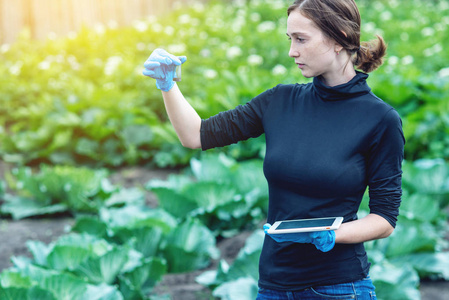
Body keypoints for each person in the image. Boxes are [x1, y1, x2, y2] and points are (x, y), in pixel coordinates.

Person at [142, 0, 405, 299]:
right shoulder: (279, 101)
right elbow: (197, 135)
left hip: (340, 287)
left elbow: (384, 219)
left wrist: (335, 234)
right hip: (273, 287)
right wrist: (167, 86)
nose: (292, 51)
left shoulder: (380, 120)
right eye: (290, 39)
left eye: (301, 39)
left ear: (340, 37)